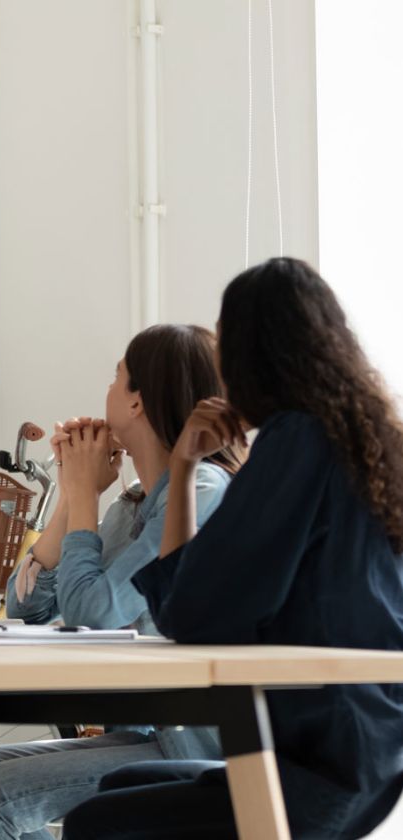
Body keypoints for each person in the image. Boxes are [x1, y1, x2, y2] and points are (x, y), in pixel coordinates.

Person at [63, 257, 403, 839]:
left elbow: (191, 612)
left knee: (98, 823)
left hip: (315, 764)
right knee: (123, 788)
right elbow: (190, 604)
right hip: (368, 752)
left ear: (250, 354)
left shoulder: (295, 442)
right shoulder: (362, 442)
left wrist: (187, 469)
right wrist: (184, 461)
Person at [0, 323, 243, 840]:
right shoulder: (136, 507)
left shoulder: (201, 493)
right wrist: (72, 493)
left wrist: (85, 496)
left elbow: (94, 612)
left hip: (198, 748)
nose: (106, 389)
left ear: (138, 403)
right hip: (151, 732)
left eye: (116, 377)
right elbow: (30, 606)